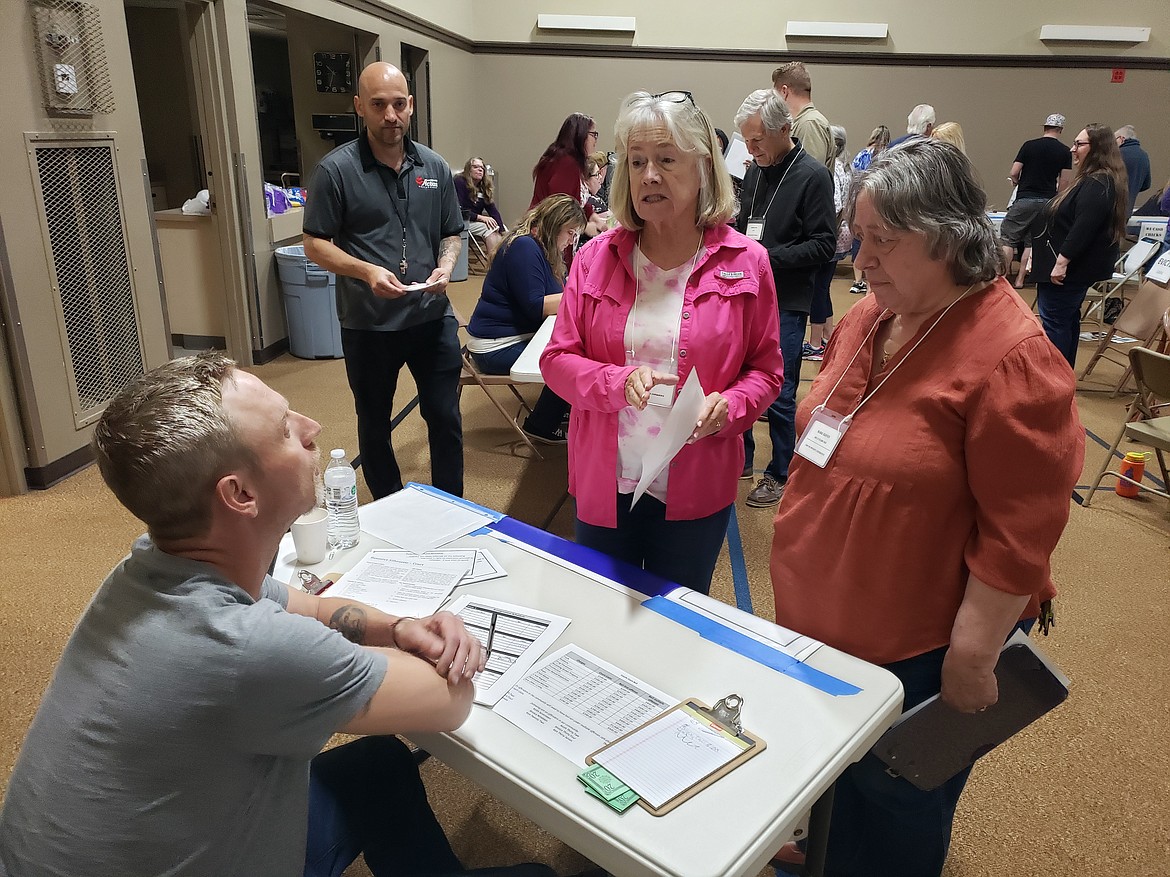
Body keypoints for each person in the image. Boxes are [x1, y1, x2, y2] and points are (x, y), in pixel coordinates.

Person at [0, 353, 555, 877]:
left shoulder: (151, 565)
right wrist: (439, 642)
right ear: (239, 494)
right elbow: (450, 700)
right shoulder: (244, 647)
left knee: (378, 768)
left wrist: (399, 627)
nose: (312, 425)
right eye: (286, 429)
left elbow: (312, 604)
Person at [769, 138, 1084, 877]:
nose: (860, 254)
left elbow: (1022, 529)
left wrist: (973, 655)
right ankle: (826, 849)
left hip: (915, 648)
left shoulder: (1010, 355)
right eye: (858, 233)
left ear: (946, 237)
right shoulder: (874, 315)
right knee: (832, 773)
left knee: (897, 800)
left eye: (883, 239)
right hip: (823, 620)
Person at [540, 90, 784, 595]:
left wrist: (732, 404)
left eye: (667, 160)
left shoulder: (747, 261)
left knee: (678, 617)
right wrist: (617, 380)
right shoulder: (594, 259)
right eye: (636, 162)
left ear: (703, 169)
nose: (649, 175)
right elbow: (558, 360)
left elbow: (766, 370)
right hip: (605, 481)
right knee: (603, 614)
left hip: (696, 481)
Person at [304, 62, 465, 500]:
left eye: (398, 104)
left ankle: (452, 505)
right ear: (360, 107)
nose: (390, 115)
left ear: (410, 105)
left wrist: (447, 266)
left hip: (431, 318)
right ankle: (390, 505)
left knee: (446, 417)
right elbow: (315, 243)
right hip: (370, 324)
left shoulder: (434, 166)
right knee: (374, 423)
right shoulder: (336, 171)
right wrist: (367, 270)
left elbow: (453, 230)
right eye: (378, 105)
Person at [734, 88, 836, 507]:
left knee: (779, 390)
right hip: (745, 295)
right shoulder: (756, 171)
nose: (752, 148)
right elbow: (744, 227)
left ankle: (780, 472)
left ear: (784, 129)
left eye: (758, 139)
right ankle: (740, 459)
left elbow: (824, 245)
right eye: (747, 140)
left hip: (787, 299)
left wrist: (764, 257)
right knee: (736, 380)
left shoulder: (812, 175)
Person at [467, 194, 585, 444]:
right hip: (494, 346)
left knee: (575, 346)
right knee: (567, 359)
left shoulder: (539, 247)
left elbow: (556, 294)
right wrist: (581, 296)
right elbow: (535, 306)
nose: (571, 241)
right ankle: (541, 425)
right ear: (555, 225)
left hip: (510, 335)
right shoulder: (524, 247)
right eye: (570, 233)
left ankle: (559, 409)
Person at [1031, 123, 1129, 368]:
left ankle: (1053, 379)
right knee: (1065, 321)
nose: (1073, 149)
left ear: (1096, 149)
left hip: (1067, 272)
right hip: (1063, 268)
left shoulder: (1099, 184)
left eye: (1079, 144)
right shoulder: (1093, 181)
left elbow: (1084, 227)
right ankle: (1060, 377)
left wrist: (1062, 262)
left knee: (1056, 323)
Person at [999, 113, 1073, 289]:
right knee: (1032, 241)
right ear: (1060, 130)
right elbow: (1065, 181)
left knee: (1008, 238)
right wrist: (1057, 200)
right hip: (1047, 201)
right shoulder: (1064, 151)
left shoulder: (1029, 146)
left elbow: (1013, 171)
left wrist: (1017, 183)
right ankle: (1020, 280)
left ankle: (1000, 280)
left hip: (1026, 198)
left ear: (1045, 127)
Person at [805, 125, 852, 361]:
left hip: (832, 236)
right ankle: (827, 335)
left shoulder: (831, 171)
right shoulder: (844, 167)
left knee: (817, 290)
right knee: (824, 288)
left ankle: (814, 344)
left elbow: (834, 205)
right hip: (841, 236)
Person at [530, 112, 599, 223]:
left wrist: (594, 218)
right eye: (593, 134)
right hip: (546, 230)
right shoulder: (566, 163)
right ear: (581, 135)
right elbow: (560, 207)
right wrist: (586, 227)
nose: (596, 140)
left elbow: (577, 202)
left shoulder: (569, 160)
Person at [848, 125, 891, 295]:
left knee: (859, 242)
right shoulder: (887, 155)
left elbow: (853, 179)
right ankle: (871, 284)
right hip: (878, 207)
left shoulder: (861, 154)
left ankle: (857, 281)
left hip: (858, 203)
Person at [772, 61, 833, 168]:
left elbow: (810, 175)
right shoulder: (802, 122)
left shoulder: (809, 124)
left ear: (784, 91)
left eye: (775, 95)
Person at [456, 156, 505, 255]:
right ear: (468, 169)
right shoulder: (459, 182)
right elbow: (459, 210)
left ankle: (502, 263)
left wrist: (503, 231)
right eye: (475, 167)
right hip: (462, 221)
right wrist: (481, 217)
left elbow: (493, 210)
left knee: (501, 228)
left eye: (482, 168)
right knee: (491, 228)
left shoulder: (483, 186)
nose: (479, 170)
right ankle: (494, 264)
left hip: (474, 221)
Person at [1115, 125, 1152, 215]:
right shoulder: (1144, 156)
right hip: (1127, 211)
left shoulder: (1116, 155)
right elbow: (1146, 184)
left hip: (1111, 210)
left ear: (1121, 139)